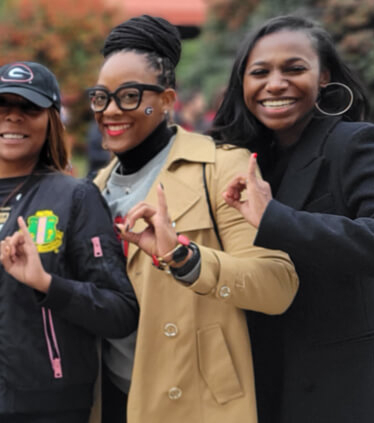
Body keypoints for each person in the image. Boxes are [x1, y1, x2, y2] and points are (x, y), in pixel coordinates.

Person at [209, 15, 374, 423]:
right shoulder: (243, 162)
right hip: (265, 386)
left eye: (294, 68)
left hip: (349, 391)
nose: (275, 83)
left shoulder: (355, 143)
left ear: (324, 78)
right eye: (259, 72)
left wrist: (278, 219)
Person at [89, 15, 299, 423]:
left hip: (195, 402)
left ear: (167, 101)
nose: (111, 110)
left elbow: (278, 285)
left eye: (130, 96)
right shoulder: (93, 189)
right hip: (113, 395)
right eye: (101, 97)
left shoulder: (220, 167)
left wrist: (185, 259)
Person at [0, 61, 139, 422]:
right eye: (1, 106)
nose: (14, 117)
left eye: (29, 107)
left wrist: (47, 284)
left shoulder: (76, 198)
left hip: (46, 408)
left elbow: (120, 311)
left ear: (52, 120)